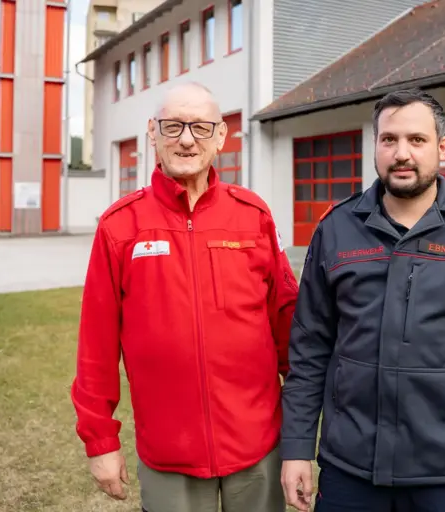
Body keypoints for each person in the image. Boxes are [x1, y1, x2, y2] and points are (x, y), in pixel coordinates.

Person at [280, 87, 445, 512]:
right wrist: (297, 447)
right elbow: (309, 353)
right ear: (375, 146)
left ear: (441, 146)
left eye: (416, 140)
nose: (402, 153)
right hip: (350, 472)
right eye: (389, 139)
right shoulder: (335, 230)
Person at [71, 82, 298, 512]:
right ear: (153, 134)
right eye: (174, 126)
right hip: (168, 453)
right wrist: (100, 441)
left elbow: (289, 327)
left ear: (220, 138)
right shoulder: (121, 227)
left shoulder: (254, 217)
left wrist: (302, 431)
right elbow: (95, 347)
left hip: (257, 448)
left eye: (200, 127)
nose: (187, 139)